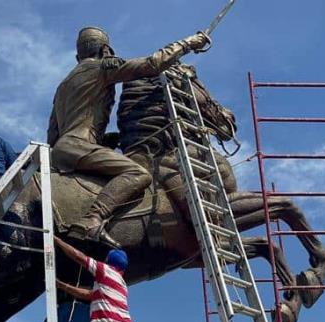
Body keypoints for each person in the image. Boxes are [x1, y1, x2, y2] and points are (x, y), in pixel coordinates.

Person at [47, 26, 211, 248]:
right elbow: (153, 64)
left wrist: (104, 141)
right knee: (138, 173)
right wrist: (190, 43)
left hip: (62, 150)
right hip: (78, 145)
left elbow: (53, 134)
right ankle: (92, 219)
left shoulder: (62, 87)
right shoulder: (101, 68)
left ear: (78, 56)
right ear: (105, 49)